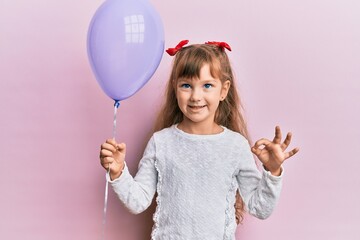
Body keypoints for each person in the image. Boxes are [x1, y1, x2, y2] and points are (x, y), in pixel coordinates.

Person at [99, 40, 299, 239]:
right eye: (186, 85)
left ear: (223, 90)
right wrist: (118, 172)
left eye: (207, 85)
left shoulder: (236, 146)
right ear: (175, 88)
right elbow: (138, 201)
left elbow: (260, 208)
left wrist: (273, 172)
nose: (196, 96)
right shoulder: (161, 143)